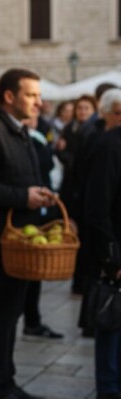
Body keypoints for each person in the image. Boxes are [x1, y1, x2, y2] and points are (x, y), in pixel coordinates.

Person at [0, 68, 57, 399]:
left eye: (38, 95)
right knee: (4, 312)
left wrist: (37, 193)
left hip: (20, 237)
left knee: (12, 311)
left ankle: (7, 382)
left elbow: (17, 175)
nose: (38, 102)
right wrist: (22, 197)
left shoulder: (17, 127)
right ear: (8, 96)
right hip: (1, 240)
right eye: (31, 95)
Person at [75, 89, 121, 332]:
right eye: (118, 113)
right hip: (108, 240)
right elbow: (97, 204)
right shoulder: (105, 143)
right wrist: (111, 255)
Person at [83, 119, 121, 399]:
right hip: (115, 253)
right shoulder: (110, 145)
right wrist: (112, 259)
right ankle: (108, 389)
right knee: (112, 320)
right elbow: (97, 209)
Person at [18, 116, 64, 342]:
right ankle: (31, 320)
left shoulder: (36, 136)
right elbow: (45, 161)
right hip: (25, 212)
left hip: (40, 207)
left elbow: (48, 163)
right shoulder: (23, 139)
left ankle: (33, 319)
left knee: (34, 273)